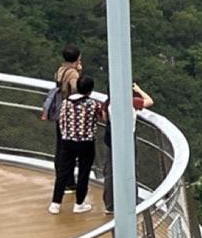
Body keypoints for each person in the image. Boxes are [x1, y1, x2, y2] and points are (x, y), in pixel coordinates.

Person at [50, 72, 105, 214]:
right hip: (86, 143)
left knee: (63, 172)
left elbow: (61, 120)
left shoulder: (66, 102)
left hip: (68, 142)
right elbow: (103, 117)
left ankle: (55, 203)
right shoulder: (93, 104)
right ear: (90, 90)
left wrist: (66, 134)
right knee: (83, 173)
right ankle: (79, 203)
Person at [101, 81, 155, 211]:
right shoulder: (131, 102)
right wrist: (138, 89)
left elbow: (104, 119)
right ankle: (131, 203)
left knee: (110, 171)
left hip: (112, 140)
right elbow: (149, 101)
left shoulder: (107, 104)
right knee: (130, 171)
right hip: (128, 141)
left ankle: (110, 205)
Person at [40, 46, 83, 126]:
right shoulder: (72, 73)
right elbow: (75, 88)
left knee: (60, 130)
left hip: (59, 105)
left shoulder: (61, 69)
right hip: (68, 108)